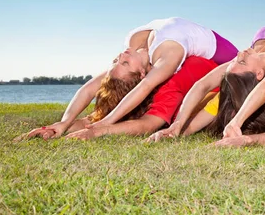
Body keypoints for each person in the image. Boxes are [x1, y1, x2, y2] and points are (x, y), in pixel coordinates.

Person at [15, 17, 237, 140]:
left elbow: (91, 87)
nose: (121, 56)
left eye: (116, 61)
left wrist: (67, 122)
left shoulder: (133, 49)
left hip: (234, 66)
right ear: (142, 73)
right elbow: (148, 117)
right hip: (235, 71)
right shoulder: (167, 65)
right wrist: (102, 125)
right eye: (123, 63)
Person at [14, 56, 219, 141]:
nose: (123, 55)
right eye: (121, 61)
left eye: (121, 61)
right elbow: (93, 119)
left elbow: (148, 124)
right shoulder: (161, 83)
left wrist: (103, 130)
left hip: (223, 92)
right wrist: (57, 126)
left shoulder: (167, 77)